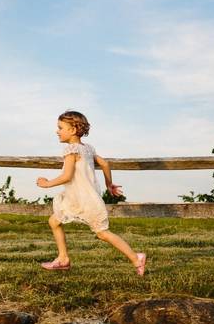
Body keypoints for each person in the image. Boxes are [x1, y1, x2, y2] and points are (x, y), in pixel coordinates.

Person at [36, 110, 146, 275]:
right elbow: (105, 164)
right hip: (80, 198)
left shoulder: (71, 150)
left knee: (102, 233)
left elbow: (67, 176)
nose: (57, 131)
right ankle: (63, 259)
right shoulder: (87, 149)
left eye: (60, 127)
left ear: (72, 130)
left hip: (83, 200)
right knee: (54, 221)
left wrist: (47, 184)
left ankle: (136, 258)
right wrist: (110, 184)